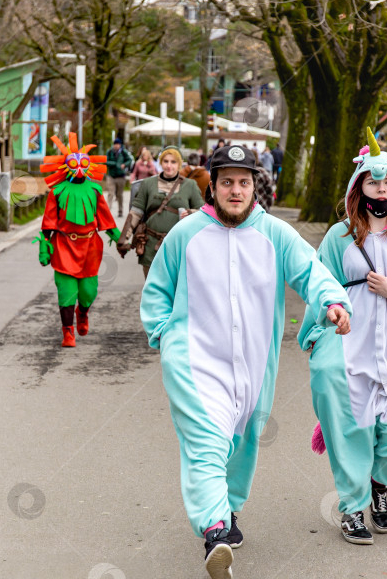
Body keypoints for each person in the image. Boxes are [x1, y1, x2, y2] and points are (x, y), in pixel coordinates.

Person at [140, 145, 351, 579]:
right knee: (207, 440)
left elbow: (311, 271)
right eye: (226, 182)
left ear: (256, 186)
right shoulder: (186, 234)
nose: (235, 190)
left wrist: (331, 300)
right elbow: (157, 288)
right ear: (212, 187)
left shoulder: (275, 234)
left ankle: (228, 509)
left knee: (242, 440)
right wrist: (164, 334)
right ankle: (214, 529)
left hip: (254, 363)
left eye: (244, 182)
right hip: (194, 360)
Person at [300, 128, 387, 545]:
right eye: (373, 181)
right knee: (351, 429)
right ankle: (352, 507)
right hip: (348, 347)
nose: (381, 187)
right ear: (359, 186)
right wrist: (329, 311)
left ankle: (379, 484)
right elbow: (318, 283)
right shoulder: (339, 236)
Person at [34, 133, 120, 347]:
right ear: (65, 166)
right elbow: (48, 223)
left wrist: (121, 240)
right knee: (66, 292)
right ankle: (68, 333)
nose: (79, 167)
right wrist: (44, 249)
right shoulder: (57, 191)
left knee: (88, 292)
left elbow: (106, 220)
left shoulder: (94, 189)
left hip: (90, 247)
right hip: (63, 245)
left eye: (83, 163)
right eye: (74, 163)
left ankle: (82, 312)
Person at [117, 147, 203, 278]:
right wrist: (124, 238)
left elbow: (203, 213)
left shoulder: (190, 185)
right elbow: (136, 212)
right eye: (166, 161)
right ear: (160, 163)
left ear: (179, 164)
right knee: (152, 290)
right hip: (151, 244)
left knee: (176, 291)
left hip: (179, 246)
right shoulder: (147, 183)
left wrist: (191, 212)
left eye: (173, 162)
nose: (169, 166)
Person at [105, 137, 134, 217]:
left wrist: (124, 165)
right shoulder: (110, 152)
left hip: (121, 176)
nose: (116, 146)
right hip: (111, 176)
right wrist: (115, 164)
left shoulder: (124, 152)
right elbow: (106, 161)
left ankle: (120, 210)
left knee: (119, 194)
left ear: (120, 145)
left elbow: (130, 160)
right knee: (110, 193)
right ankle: (108, 211)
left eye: (118, 144)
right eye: (115, 144)